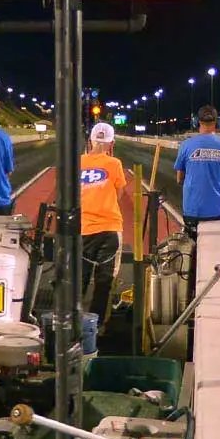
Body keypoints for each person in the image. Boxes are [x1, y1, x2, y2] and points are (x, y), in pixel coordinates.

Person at [79, 121, 127, 320]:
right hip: (110, 228)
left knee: (80, 277)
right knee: (104, 280)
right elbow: (120, 192)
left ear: (90, 140)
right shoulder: (114, 164)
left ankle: (70, 320)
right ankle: (96, 324)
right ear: (111, 143)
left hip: (83, 228)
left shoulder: (78, 162)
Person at [174, 105, 220, 236]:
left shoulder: (186, 145)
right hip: (219, 210)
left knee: (191, 252)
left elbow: (179, 178)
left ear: (196, 121)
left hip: (193, 210)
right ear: (217, 122)